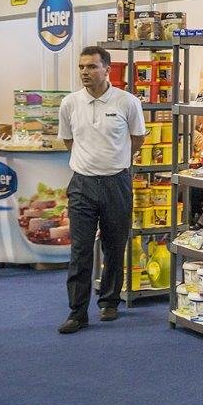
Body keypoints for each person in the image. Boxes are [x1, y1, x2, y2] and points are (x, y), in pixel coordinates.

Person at [57, 46, 146, 334]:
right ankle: (77, 312)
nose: (85, 72)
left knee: (114, 246)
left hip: (116, 182)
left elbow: (137, 138)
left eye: (92, 67)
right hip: (82, 184)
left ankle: (109, 301)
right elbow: (68, 141)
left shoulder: (127, 102)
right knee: (80, 250)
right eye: (82, 67)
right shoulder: (70, 103)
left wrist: (116, 161)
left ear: (107, 69)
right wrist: (88, 161)